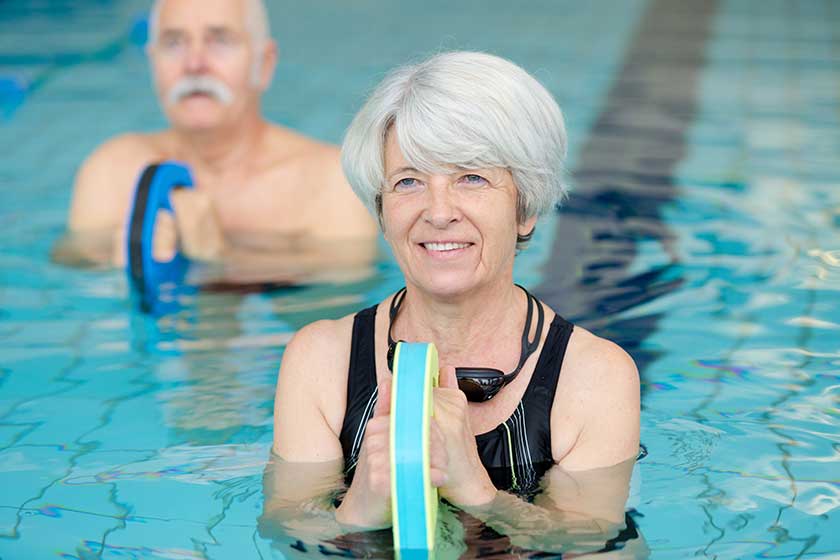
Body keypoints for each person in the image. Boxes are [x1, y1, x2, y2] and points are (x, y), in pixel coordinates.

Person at [270, 51, 640, 541]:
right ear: (382, 213)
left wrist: (478, 491)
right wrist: (357, 510)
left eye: (471, 177)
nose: (439, 212)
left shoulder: (594, 378)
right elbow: (285, 528)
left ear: (525, 208)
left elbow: (592, 541)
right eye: (408, 181)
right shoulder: (320, 361)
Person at [55, 0, 376, 272]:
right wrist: (125, 266)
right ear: (153, 64)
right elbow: (70, 277)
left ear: (264, 64)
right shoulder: (111, 171)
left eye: (220, 40)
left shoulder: (329, 184)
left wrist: (216, 260)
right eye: (174, 43)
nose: (194, 64)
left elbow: (335, 310)